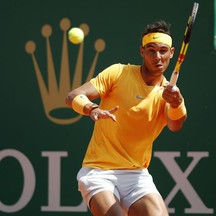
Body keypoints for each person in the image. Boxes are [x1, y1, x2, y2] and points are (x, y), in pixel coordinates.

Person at [65, 20, 187, 216]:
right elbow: (72, 96)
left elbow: (175, 125)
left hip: (136, 175)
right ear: (142, 51)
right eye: (151, 50)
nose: (157, 56)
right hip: (98, 172)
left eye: (163, 51)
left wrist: (175, 103)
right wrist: (91, 108)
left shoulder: (170, 94)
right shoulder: (118, 72)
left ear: (171, 53)